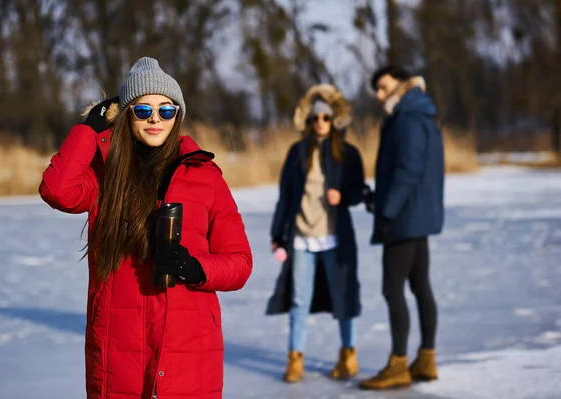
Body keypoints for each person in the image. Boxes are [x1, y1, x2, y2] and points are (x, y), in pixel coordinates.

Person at [39, 57, 253, 398]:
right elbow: (57, 191)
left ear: (177, 115)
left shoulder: (204, 176)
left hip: (188, 351)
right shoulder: (105, 175)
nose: (155, 119)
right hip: (118, 351)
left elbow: (240, 262)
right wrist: (88, 131)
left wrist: (195, 267)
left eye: (166, 111)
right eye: (142, 110)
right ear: (126, 115)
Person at [265, 83, 372, 383]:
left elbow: (359, 191)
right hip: (301, 238)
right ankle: (295, 359)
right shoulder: (297, 153)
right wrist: (277, 234)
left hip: (336, 238)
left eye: (325, 118)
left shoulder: (348, 153)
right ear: (309, 121)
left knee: (343, 296)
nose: (320, 123)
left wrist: (345, 196)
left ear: (334, 119)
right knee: (299, 299)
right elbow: (285, 196)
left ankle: (348, 355)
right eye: (315, 118)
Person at [359, 65, 444, 390]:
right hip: (417, 214)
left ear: (402, 84)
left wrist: (387, 210)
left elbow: (408, 170)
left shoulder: (407, 118)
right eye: (376, 90)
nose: (380, 95)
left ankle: (398, 364)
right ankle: (427, 357)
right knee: (420, 284)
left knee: (393, 288)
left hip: (405, 217)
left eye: (383, 87)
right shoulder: (421, 113)